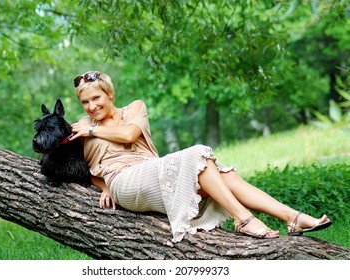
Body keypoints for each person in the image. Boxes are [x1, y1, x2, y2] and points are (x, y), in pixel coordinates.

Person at [69, 71, 332, 242]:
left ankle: (292, 218)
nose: (92, 107)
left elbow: (129, 135)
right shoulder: (82, 125)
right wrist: (103, 185)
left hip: (154, 172)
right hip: (125, 184)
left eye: (96, 98)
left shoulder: (134, 108)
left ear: (110, 94)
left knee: (223, 174)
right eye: (85, 102)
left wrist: (93, 129)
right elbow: (76, 168)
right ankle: (244, 220)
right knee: (198, 155)